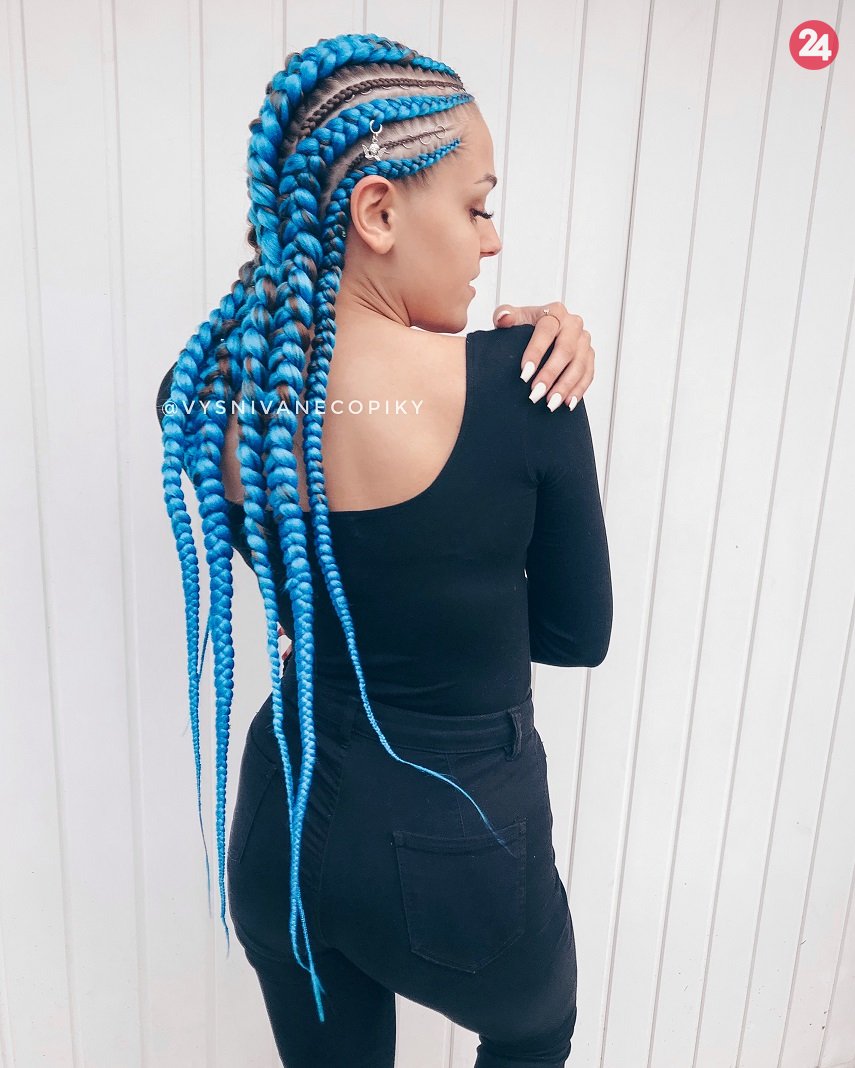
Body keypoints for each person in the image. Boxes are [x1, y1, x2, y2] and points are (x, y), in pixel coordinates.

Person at [156, 31, 612, 1068]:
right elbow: (575, 634)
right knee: (534, 1034)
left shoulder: (212, 396)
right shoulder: (521, 388)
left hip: (282, 822)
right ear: (377, 212)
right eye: (477, 207)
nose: (491, 242)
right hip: (463, 850)